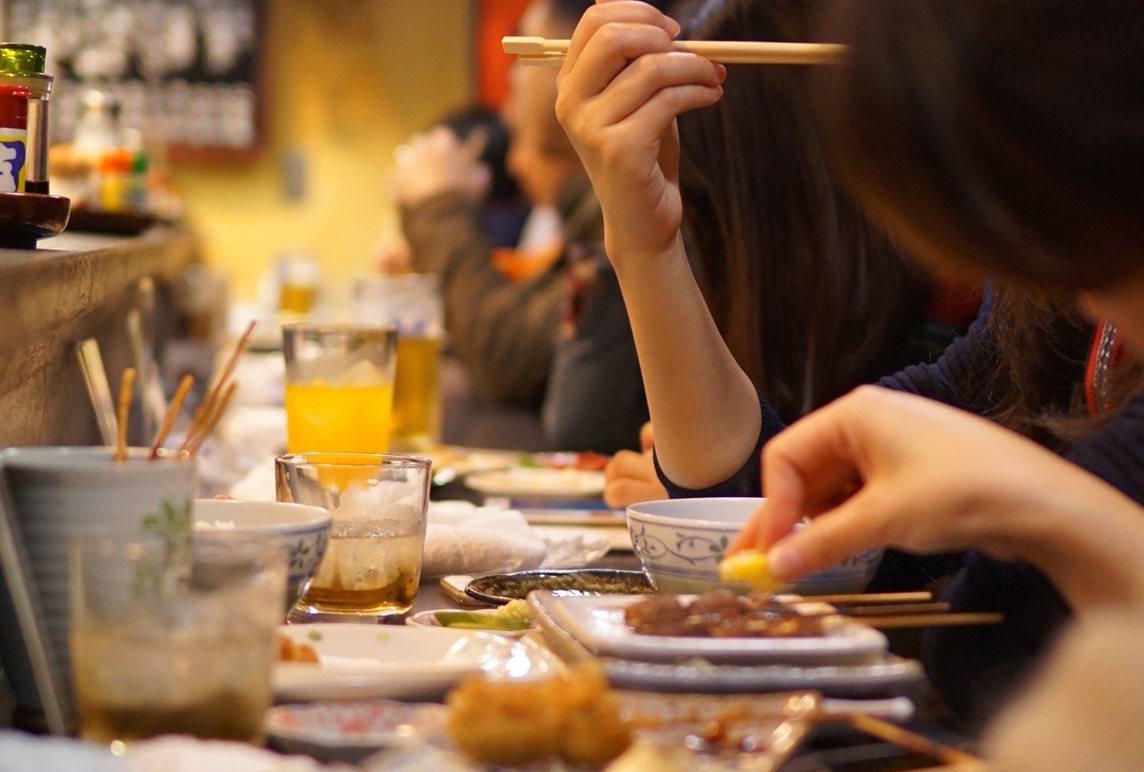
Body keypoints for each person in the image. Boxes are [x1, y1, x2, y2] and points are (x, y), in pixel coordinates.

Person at [554, 0, 1144, 725]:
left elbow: (1005, 648)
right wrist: (643, 245)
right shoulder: (1047, 309)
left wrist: (1031, 506)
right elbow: (783, 502)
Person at [600, 0, 974, 509]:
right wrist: (640, 242)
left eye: (709, 211)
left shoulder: (957, 300)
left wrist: (738, 497)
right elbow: (751, 486)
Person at [390, 0, 652, 455]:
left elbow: (508, 354)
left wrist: (438, 205)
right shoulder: (589, 210)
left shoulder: (643, 204)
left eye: (527, 58)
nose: (509, 82)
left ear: (593, 57)